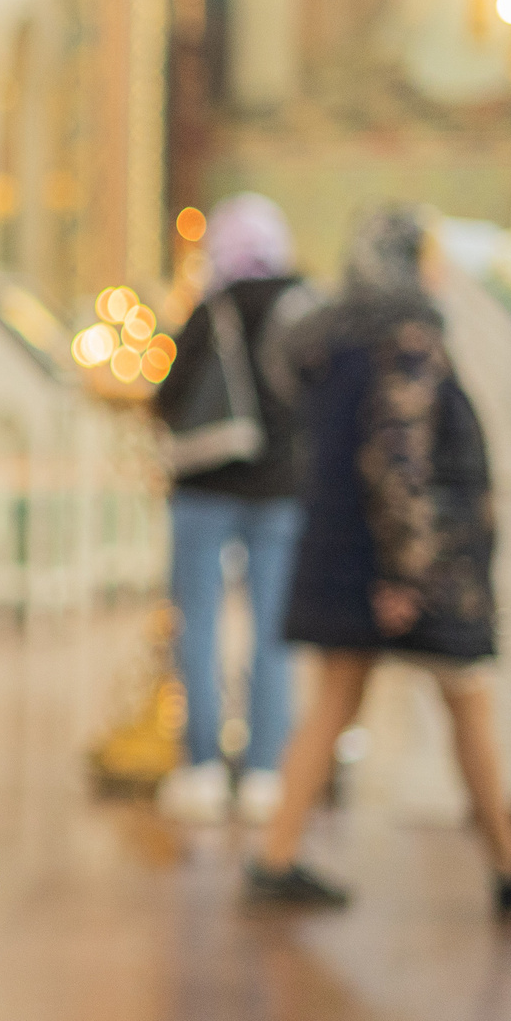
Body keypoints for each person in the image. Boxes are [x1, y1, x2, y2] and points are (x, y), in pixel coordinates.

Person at [248, 205, 511, 912]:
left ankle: (276, 854)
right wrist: (406, 573)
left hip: (344, 556)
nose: (439, 272)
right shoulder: (405, 336)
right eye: (429, 256)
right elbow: (396, 461)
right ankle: (509, 863)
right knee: (465, 694)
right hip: (402, 564)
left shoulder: (332, 339)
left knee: (338, 704)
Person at [152, 193, 316, 826]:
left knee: (199, 625)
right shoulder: (304, 309)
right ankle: (266, 775)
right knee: (275, 633)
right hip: (282, 492)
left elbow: (169, 396)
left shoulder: (211, 307)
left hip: (205, 488)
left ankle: (201, 771)